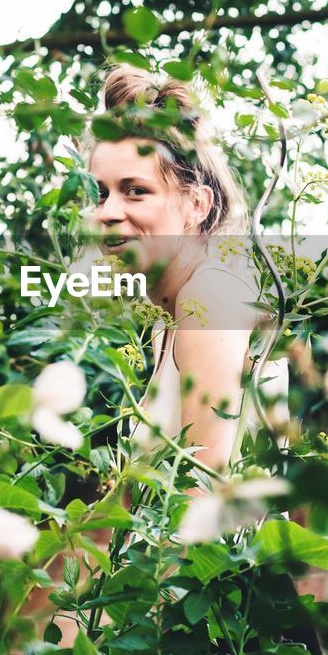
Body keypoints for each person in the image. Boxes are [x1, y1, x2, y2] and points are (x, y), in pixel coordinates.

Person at [85, 64, 266, 474]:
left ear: (196, 206)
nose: (108, 213)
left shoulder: (210, 298)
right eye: (99, 194)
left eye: (136, 191)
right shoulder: (166, 322)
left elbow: (201, 493)